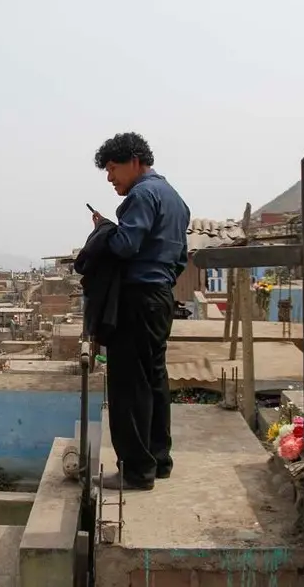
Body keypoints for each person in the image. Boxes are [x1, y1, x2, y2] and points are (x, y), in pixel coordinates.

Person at [88, 132, 190, 491]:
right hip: (160, 299)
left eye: (113, 168)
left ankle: (135, 471)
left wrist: (103, 231)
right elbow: (180, 259)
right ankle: (158, 460)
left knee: (129, 388)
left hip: (136, 302)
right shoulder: (175, 199)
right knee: (154, 381)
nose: (110, 177)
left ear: (134, 161)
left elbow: (125, 245)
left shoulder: (142, 195)